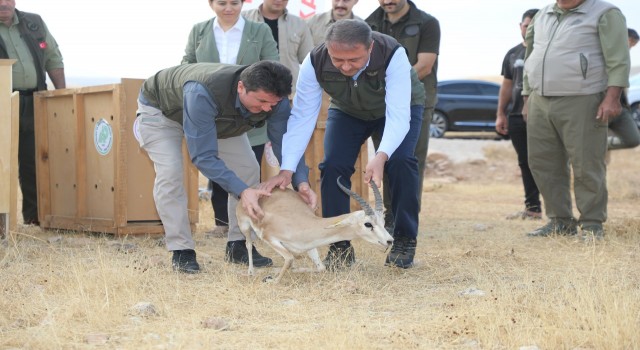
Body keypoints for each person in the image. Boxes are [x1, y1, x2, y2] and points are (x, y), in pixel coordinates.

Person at [262, 19, 426, 269]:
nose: (346, 66)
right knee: (333, 166)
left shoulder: (393, 54)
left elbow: (399, 115)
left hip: (397, 109)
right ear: (328, 48)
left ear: (369, 48)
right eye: (338, 60)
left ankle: (404, 238)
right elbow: (303, 117)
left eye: (354, 60)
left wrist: (381, 155)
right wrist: (288, 168)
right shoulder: (314, 61)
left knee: (401, 161)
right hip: (348, 111)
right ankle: (340, 247)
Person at [136, 61, 314, 273]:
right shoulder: (202, 92)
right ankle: (181, 250)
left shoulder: (276, 99)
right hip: (162, 112)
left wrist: (299, 180)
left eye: (272, 104)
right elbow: (203, 156)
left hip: (217, 118)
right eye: (262, 101)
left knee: (247, 167)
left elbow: (285, 142)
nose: (267, 109)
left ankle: (238, 245)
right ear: (241, 87)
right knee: (171, 173)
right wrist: (242, 191)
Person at [522, 0, 630, 240]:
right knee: (543, 163)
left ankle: (592, 225)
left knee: (586, 164)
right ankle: (560, 221)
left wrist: (613, 98)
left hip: (584, 98)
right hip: (540, 98)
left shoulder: (605, 13)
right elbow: (531, 55)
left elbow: (619, 59)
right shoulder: (542, 15)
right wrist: (527, 95)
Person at [182, 0, 279, 238]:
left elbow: (273, 66)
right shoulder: (199, 31)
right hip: (210, 110)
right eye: (222, 3)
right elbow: (187, 64)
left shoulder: (259, 30)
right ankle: (221, 223)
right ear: (211, 4)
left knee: (248, 168)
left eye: (234, 2)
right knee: (215, 166)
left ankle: (245, 226)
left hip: (250, 111)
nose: (228, 8)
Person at [365, 0, 440, 232]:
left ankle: (406, 219)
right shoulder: (369, 23)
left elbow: (425, 66)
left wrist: (391, 81)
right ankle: (391, 216)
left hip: (415, 103)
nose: (387, 1)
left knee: (408, 161)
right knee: (385, 159)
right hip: (381, 104)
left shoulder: (427, 23)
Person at [0, 0, 65, 226]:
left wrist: (62, 96)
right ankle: (3, 223)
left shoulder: (33, 22)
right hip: (2, 104)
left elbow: (53, 58)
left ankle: (34, 218)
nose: (3, 3)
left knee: (33, 162)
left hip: (35, 100)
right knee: (1, 163)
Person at [495, 9, 542, 221]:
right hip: (515, 116)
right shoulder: (513, 54)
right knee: (525, 161)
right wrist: (500, 114)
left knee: (546, 161)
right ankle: (533, 208)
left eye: (534, 26)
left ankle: (561, 212)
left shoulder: (545, 51)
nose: (529, 29)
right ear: (520, 26)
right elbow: (506, 86)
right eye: (526, 25)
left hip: (543, 116)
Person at [242, 0, 314, 98]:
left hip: (287, 93)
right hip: (250, 91)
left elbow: (308, 59)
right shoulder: (244, 19)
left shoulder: (299, 24)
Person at [606, 28, 640, 152]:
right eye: (630, 43)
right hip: (602, 107)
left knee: (634, 139)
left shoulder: (625, 59)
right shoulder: (605, 52)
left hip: (620, 108)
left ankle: (600, 144)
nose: (630, 47)